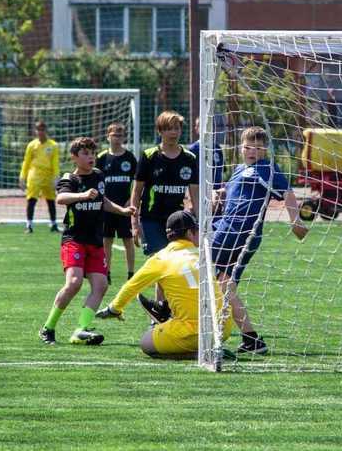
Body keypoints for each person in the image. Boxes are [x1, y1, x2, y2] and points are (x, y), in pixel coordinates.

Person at [210, 126, 308, 354]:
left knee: (206, 276)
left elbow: (287, 192)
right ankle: (250, 339)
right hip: (224, 229)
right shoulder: (238, 169)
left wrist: (295, 221)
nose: (251, 151)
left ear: (264, 150)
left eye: (257, 147)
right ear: (240, 148)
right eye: (247, 147)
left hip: (241, 232)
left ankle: (181, 319)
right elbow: (233, 192)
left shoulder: (266, 169)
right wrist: (220, 194)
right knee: (224, 284)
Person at [39, 137, 135, 346]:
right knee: (73, 283)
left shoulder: (99, 175)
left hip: (95, 241)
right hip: (74, 240)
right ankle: (48, 328)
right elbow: (61, 199)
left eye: (92, 153)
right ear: (74, 157)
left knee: (100, 285)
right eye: (85, 153)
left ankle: (80, 330)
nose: (90, 156)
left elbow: (103, 201)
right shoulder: (69, 179)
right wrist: (82, 195)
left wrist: (122, 210)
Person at [96, 210, 231, 358]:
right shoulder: (202, 255)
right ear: (189, 233)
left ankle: (199, 354)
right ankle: (165, 313)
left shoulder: (161, 258)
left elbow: (131, 286)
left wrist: (114, 309)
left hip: (192, 331)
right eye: (196, 230)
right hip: (223, 328)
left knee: (146, 343)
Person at [131, 111, 198, 256]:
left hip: (178, 221)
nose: (173, 132)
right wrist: (134, 223)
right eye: (168, 128)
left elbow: (195, 195)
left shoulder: (189, 158)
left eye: (177, 128)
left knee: (177, 261)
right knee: (159, 260)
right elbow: (136, 192)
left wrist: (198, 223)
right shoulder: (149, 156)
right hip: (151, 219)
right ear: (160, 131)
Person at [97, 122, 137, 280]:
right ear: (108, 136)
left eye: (120, 135)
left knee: (128, 240)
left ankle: (131, 273)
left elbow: (138, 181)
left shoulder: (129, 158)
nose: (117, 138)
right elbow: (96, 180)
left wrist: (130, 200)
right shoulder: (101, 158)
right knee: (107, 240)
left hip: (125, 207)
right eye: (114, 135)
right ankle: (106, 271)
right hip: (107, 207)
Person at [20, 121, 60, 234]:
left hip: (48, 175)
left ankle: (54, 224)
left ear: (45, 131)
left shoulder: (53, 145)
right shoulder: (31, 145)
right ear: (35, 131)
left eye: (42, 129)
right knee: (31, 200)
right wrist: (22, 177)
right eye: (38, 130)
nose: (40, 132)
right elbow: (26, 162)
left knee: (51, 200)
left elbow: (55, 163)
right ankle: (29, 225)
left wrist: (56, 177)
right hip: (35, 175)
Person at [189, 117, 225, 191]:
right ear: (196, 129)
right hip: (200, 191)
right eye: (201, 125)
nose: (205, 128)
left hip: (216, 190)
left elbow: (222, 170)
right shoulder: (193, 149)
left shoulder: (217, 148)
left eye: (208, 126)